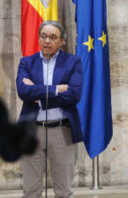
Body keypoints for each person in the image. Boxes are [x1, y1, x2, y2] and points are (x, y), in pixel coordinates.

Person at [16, 20, 83, 198]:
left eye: (53, 37)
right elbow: (23, 91)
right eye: (44, 36)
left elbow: (74, 95)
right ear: (39, 38)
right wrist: (56, 89)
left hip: (62, 131)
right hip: (32, 130)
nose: (47, 41)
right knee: (31, 190)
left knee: (64, 191)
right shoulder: (26, 63)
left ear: (62, 41)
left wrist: (39, 97)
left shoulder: (73, 62)